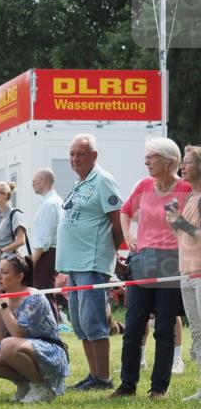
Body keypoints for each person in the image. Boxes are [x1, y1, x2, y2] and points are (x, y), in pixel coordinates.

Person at [110, 138, 193, 399]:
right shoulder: (144, 185)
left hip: (171, 261)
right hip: (143, 261)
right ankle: (127, 385)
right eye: (146, 156)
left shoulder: (187, 189)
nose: (146, 161)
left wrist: (179, 224)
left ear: (169, 162)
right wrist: (129, 236)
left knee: (164, 327)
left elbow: (194, 229)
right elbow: (125, 211)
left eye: (151, 156)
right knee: (134, 325)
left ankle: (159, 388)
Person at [57, 134, 124, 391]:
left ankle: (104, 377)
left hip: (91, 262)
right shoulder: (80, 182)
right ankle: (94, 375)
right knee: (80, 322)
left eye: (80, 154)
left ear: (94, 156)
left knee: (93, 321)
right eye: (72, 154)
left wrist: (112, 253)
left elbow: (117, 222)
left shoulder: (103, 180)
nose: (74, 159)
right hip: (74, 263)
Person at [0, 255, 70, 403]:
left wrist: (2, 305)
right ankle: (26, 385)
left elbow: (18, 333)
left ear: (20, 276)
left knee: (9, 344)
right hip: (19, 347)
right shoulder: (2, 298)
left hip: (50, 350)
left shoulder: (33, 297)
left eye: (5, 272)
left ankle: (42, 387)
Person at [167, 143, 201, 400]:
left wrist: (180, 222)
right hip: (187, 273)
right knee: (197, 333)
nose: (182, 167)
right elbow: (185, 236)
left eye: (187, 162)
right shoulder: (190, 197)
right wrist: (175, 222)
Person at [29, 168, 65, 321]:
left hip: (46, 255)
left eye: (34, 182)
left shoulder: (49, 204)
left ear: (43, 182)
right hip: (50, 253)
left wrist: (31, 262)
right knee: (44, 293)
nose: (32, 185)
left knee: (44, 293)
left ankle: (51, 330)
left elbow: (44, 240)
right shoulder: (54, 201)